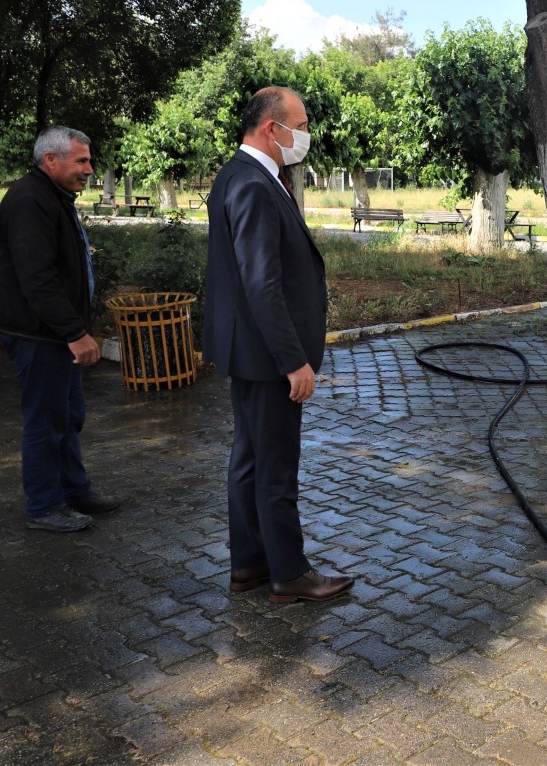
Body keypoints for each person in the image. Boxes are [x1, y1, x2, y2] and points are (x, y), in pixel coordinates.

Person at [204, 86, 354, 603]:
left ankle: (248, 564)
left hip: (248, 350)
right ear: (273, 129)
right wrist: (295, 361)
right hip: (267, 357)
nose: (305, 135)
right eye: (301, 125)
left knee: (249, 459)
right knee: (273, 466)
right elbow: (260, 282)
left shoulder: (242, 175)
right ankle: (288, 573)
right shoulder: (251, 183)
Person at [0, 126, 122, 533]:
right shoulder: (31, 200)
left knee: (68, 416)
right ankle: (45, 506)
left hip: (53, 333)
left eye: (88, 160)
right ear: (51, 159)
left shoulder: (52, 197)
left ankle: (74, 492)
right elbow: (38, 279)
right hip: (40, 335)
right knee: (46, 421)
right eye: (81, 161)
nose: (89, 169)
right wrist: (73, 331)